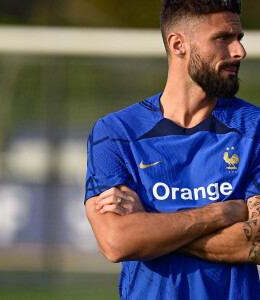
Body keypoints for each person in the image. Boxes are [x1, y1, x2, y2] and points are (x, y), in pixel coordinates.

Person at [85, 0, 260, 299]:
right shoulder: (116, 133)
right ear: (178, 44)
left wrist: (151, 226)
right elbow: (117, 242)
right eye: (222, 39)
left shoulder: (254, 128)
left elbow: (254, 241)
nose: (238, 52)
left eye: (238, 39)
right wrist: (226, 211)